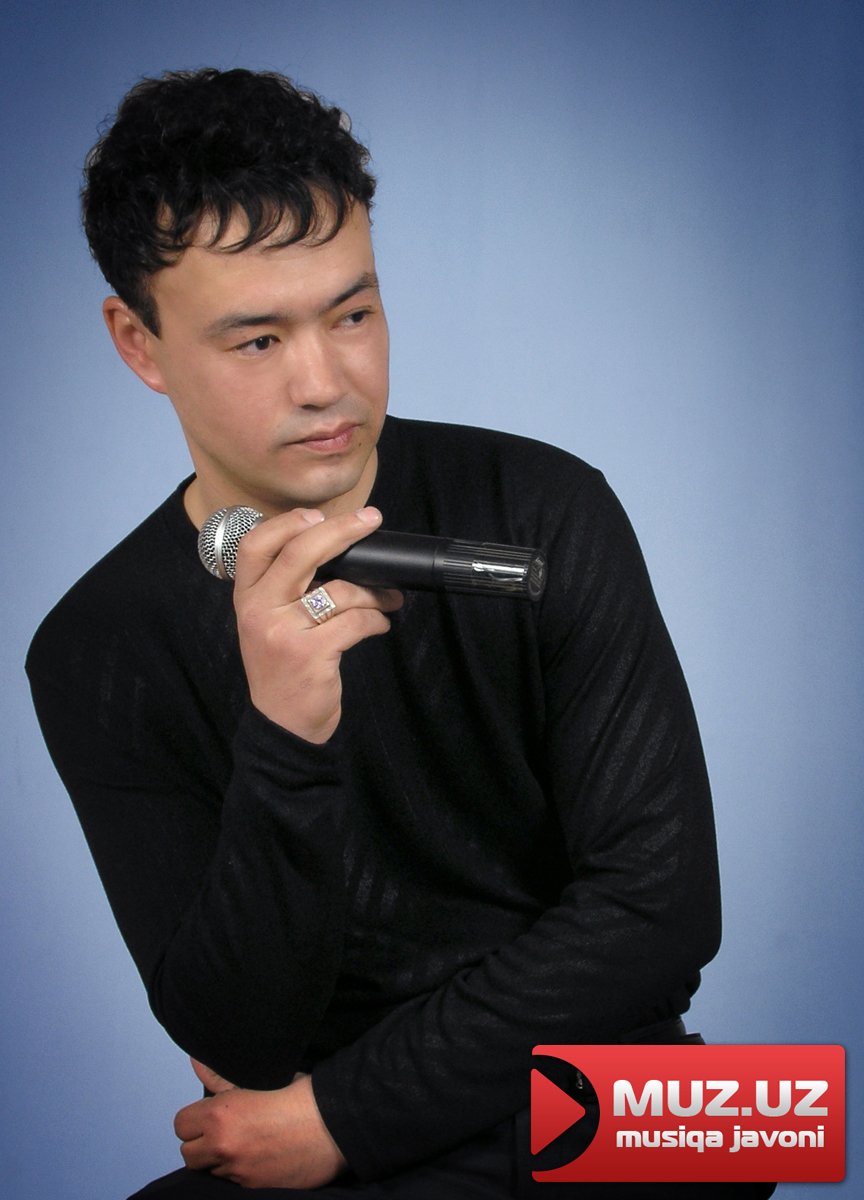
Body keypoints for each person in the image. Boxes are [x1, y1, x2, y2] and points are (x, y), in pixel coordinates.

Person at [26, 68, 772, 1199]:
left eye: (353, 314)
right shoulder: (96, 646)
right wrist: (285, 739)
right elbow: (238, 1040)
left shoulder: (543, 507)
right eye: (257, 341)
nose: (326, 382)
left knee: (745, 1118)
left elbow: (660, 913)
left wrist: (347, 1118)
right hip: (332, 1138)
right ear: (140, 342)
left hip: (623, 1103)